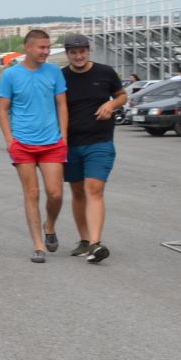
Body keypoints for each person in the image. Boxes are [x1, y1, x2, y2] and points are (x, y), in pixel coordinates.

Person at [0, 28, 69, 262]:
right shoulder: (11, 75)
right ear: (28, 47)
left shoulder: (54, 72)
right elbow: (3, 109)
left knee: (55, 194)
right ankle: (38, 245)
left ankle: (50, 226)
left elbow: (62, 106)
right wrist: (10, 140)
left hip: (52, 142)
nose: (46, 52)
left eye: (48, 47)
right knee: (32, 193)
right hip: (23, 143)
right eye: (42, 47)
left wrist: (63, 137)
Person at [58, 33, 125, 264]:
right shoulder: (60, 77)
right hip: (71, 144)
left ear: (89, 51)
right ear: (67, 54)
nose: (78, 56)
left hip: (100, 141)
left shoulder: (105, 72)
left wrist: (111, 103)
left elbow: (122, 96)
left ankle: (96, 243)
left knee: (94, 190)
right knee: (77, 193)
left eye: (82, 51)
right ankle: (84, 240)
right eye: (73, 52)